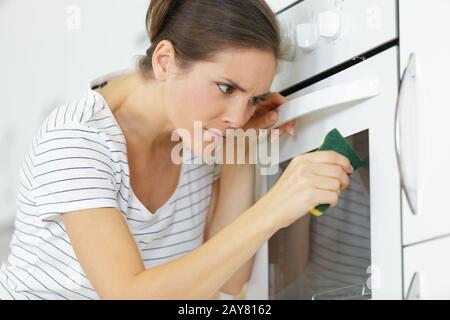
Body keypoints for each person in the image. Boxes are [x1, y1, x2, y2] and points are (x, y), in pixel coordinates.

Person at [0, 0, 353, 300]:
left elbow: (229, 280)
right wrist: (277, 205)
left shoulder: (198, 135)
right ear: (165, 61)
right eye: (227, 88)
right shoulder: (78, 140)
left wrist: (242, 146)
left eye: (254, 98)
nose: (237, 115)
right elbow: (129, 295)